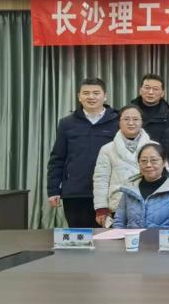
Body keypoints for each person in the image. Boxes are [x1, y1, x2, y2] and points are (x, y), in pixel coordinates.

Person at [46, 77, 120, 228]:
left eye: (96, 93)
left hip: (109, 193)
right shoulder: (67, 123)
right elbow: (57, 159)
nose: (91, 97)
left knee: (109, 237)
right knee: (79, 238)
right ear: (79, 96)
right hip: (76, 193)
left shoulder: (117, 122)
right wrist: (53, 190)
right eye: (86, 93)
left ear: (105, 96)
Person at [92, 104, 151, 226]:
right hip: (117, 207)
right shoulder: (107, 149)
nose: (131, 123)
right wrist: (101, 208)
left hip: (149, 206)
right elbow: (101, 180)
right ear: (119, 122)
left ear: (142, 122)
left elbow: (163, 179)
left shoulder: (154, 147)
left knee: (148, 238)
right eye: (126, 119)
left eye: (136, 119)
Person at [113, 143, 169, 228]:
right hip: (132, 236)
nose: (148, 165)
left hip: (162, 237)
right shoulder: (130, 187)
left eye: (154, 160)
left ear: (164, 162)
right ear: (139, 163)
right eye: (143, 161)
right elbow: (118, 222)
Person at [130, 73, 169, 142]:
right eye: (147, 88)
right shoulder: (127, 114)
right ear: (140, 91)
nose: (151, 92)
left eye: (155, 89)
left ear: (162, 93)